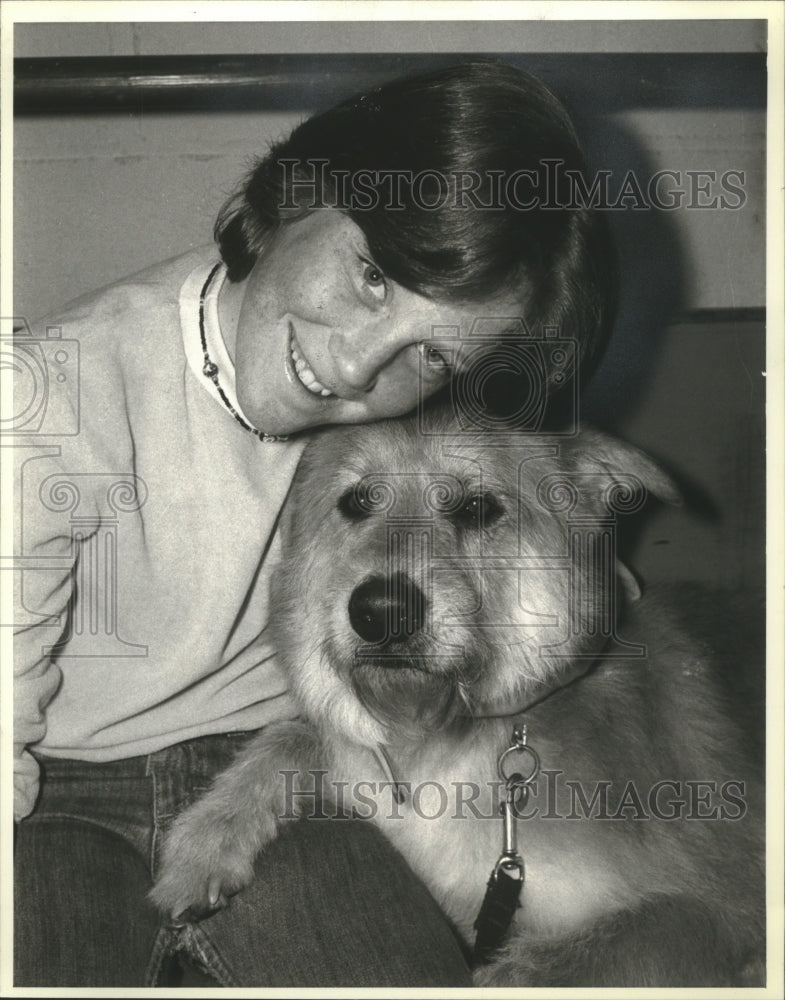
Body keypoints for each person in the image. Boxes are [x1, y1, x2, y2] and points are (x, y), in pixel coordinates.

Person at [12, 59, 615, 986]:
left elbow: (572, 590)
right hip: (55, 775)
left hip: (291, 754)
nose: (354, 370)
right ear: (298, 194)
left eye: (430, 351)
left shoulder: (406, 426)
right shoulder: (49, 398)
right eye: (372, 275)